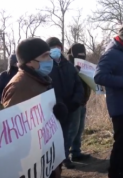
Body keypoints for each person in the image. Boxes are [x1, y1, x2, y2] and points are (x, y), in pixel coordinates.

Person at [1, 38, 67, 178]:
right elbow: (15, 134)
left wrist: (53, 112)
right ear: (30, 61)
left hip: (45, 156)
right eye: (44, 56)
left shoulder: (39, 79)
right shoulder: (19, 86)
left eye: (49, 55)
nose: (50, 59)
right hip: (33, 163)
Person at [94, 24, 123, 178]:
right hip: (119, 105)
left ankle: (122, 170)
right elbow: (99, 76)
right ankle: (115, 173)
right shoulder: (111, 54)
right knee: (121, 141)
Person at [46, 37, 85, 169]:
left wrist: (75, 101)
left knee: (70, 132)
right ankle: (56, 160)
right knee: (56, 135)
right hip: (54, 108)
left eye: (58, 46)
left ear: (61, 48)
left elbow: (78, 86)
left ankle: (65, 156)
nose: (56, 49)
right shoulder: (45, 66)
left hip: (71, 106)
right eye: (52, 47)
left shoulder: (68, 65)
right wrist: (57, 104)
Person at [67, 43, 91, 159]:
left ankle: (76, 152)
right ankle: (65, 157)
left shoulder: (85, 66)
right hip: (74, 103)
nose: (82, 56)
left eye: (83, 54)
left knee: (79, 130)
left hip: (83, 101)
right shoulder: (68, 67)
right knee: (72, 131)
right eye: (79, 54)